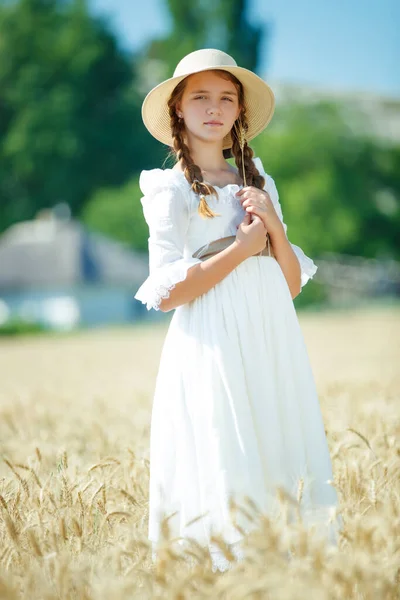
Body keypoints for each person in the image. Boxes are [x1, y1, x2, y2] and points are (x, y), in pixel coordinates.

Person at [134, 48, 343, 572]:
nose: (214, 108)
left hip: (270, 337)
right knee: (225, 449)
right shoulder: (171, 189)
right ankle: (225, 574)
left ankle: (286, 571)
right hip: (214, 341)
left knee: (275, 443)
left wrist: (271, 224)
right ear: (178, 109)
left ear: (239, 112)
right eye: (200, 97)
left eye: (226, 98)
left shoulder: (258, 183)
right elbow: (165, 294)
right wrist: (241, 250)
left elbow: (292, 283)